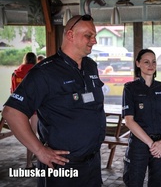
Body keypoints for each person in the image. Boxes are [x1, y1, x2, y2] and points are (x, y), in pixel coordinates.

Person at [2, 14, 106, 187]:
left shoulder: (90, 66)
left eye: (95, 36)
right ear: (70, 35)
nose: (94, 41)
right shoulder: (44, 72)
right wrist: (40, 151)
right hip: (62, 167)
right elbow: (12, 112)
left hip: (92, 164)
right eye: (89, 35)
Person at [122, 48, 161, 187]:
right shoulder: (130, 88)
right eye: (146, 62)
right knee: (134, 182)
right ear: (138, 63)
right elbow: (129, 121)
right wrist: (151, 145)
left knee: (160, 183)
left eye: (153, 61)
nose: (151, 65)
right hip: (139, 144)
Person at [11, 52, 38, 170]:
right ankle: (29, 163)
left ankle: (34, 156)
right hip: (34, 107)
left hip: (20, 106)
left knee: (26, 134)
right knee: (32, 133)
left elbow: (13, 91)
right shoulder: (37, 71)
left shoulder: (15, 73)